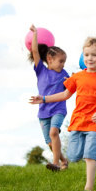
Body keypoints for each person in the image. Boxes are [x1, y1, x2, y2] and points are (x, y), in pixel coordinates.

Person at [30, 37, 96, 191]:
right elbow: (64, 95)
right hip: (78, 122)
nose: (90, 58)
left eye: (94, 55)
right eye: (87, 55)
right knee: (73, 156)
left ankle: (88, 187)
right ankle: (86, 150)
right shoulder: (77, 77)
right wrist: (43, 99)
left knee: (90, 156)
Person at [28, 24, 70, 172]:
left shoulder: (65, 75)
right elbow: (34, 50)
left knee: (54, 133)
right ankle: (63, 160)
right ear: (50, 59)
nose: (63, 64)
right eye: (61, 61)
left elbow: (71, 90)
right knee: (50, 142)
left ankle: (56, 164)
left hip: (59, 109)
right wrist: (35, 34)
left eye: (64, 61)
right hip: (43, 112)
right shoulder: (41, 71)